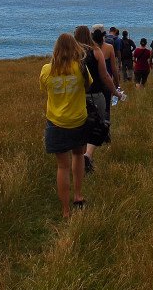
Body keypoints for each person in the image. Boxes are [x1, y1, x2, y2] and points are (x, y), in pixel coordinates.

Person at [39, 32, 90, 218]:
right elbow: (87, 86)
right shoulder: (81, 68)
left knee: (62, 166)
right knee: (78, 155)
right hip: (78, 120)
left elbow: (45, 88)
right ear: (75, 48)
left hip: (56, 121)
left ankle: (65, 211)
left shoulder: (47, 69)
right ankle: (78, 195)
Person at [74, 25, 116, 174]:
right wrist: (115, 91)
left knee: (79, 125)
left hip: (76, 95)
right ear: (89, 35)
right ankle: (87, 155)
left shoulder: (72, 53)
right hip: (96, 93)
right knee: (97, 125)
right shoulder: (96, 51)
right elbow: (105, 75)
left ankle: (80, 157)